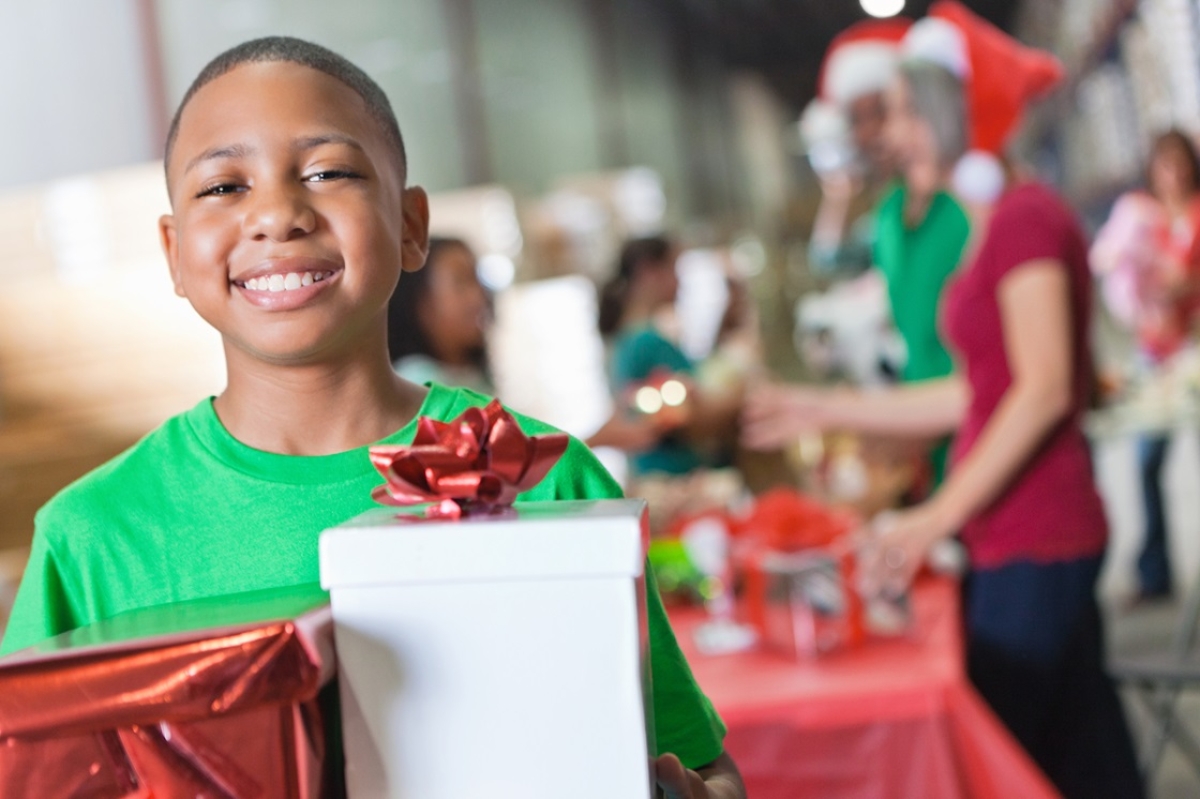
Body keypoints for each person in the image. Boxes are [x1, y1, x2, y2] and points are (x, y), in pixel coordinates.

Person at [0, 37, 744, 798]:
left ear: (411, 223)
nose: (278, 215)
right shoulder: (92, 540)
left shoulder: (541, 480)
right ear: (173, 252)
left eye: (328, 172)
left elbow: (711, 774)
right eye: (223, 186)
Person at [744, 6, 1143, 797]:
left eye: (900, 110)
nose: (890, 132)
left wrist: (933, 516)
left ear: (950, 108)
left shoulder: (1024, 219)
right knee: (1082, 752)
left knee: (1017, 753)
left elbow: (1041, 389)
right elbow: (973, 392)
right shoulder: (999, 223)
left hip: (1035, 530)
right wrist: (821, 408)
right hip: (1022, 533)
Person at [803, 18, 970, 487]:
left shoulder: (965, 208)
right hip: (931, 436)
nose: (873, 133)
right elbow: (829, 259)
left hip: (983, 434)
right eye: (857, 120)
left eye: (886, 112)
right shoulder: (888, 217)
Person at [1091, 129, 1200, 601]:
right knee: (1147, 459)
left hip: (1193, 346)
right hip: (1153, 352)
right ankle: (1154, 573)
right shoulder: (1142, 215)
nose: (1173, 175)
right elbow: (1113, 262)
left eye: (1181, 165)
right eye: (1165, 165)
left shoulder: (1195, 216)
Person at [599, 236, 741, 477]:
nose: (680, 282)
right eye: (674, 269)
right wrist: (741, 399)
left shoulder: (632, 340)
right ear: (648, 271)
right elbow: (681, 417)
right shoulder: (643, 343)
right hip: (676, 477)